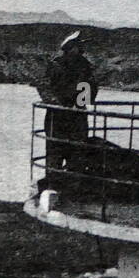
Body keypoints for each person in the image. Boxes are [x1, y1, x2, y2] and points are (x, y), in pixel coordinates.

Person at [38, 30, 99, 184]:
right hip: (59, 118)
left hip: (73, 119)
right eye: (78, 47)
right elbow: (44, 87)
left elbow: (89, 90)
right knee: (56, 155)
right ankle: (54, 188)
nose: (80, 50)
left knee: (75, 156)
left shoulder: (84, 66)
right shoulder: (56, 66)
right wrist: (59, 104)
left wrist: (77, 104)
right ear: (70, 48)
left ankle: (70, 190)